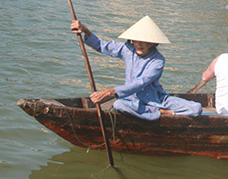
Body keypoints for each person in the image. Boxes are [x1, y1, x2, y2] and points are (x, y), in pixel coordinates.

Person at [70, 16, 202, 120]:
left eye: (143, 41)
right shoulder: (127, 49)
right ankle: (157, 113)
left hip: (156, 99)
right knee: (119, 105)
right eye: (136, 41)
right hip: (132, 100)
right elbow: (102, 46)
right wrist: (85, 30)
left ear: (152, 43)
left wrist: (110, 91)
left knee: (196, 109)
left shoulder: (158, 61)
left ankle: (159, 111)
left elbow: (141, 83)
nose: (139, 44)